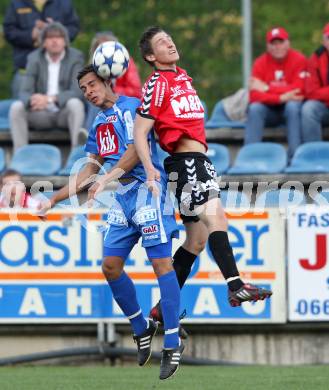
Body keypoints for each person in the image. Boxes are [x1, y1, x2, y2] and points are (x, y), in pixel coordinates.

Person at [39, 63, 183, 380]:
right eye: (83, 89)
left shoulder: (132, 106)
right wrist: (53, 198)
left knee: (162, 265)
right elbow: (89, 170)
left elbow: (136, 148)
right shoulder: (99, 124)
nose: (89, 92)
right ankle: (141, 326)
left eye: (92, 84)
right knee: (110, 266)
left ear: (107, 81)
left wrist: (107, 179)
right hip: (123, 198)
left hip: (148, 191)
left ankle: (172, 341)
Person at [133, 26, 272, 325]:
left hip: (196, 161)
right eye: (161, 42)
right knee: (216, 218)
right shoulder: (158, 82)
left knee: (196, 239)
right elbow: (140, 131)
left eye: (169, 38)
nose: (169, 42)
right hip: (186, 163)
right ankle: (236, 286)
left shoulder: (181, 77)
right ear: (150, 56)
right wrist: (148, 169)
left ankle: (162, 307)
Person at [9, 22, 85, 152]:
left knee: (76, 104)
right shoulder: (34, 58)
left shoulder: (75, 57)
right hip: (40, 114)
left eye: (59, 37)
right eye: (50, 37)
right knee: (16, 107)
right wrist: (34, 100)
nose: (54, 41)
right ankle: (20, 156)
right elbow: (24, 92)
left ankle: (76, 154)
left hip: (64, 113)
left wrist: (49, 99)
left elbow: (78, 91)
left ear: (65, 41)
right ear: (43, 43)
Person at [244, 27, 307, 159]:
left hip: (291, 113)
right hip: (270, 112)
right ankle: (250, 157)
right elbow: (254, 96)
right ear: (268, 46)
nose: (277, 47)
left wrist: (267, 88)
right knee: (255, 108)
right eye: (273, 43)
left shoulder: (300, 59)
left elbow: (299, 90)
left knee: (292, 105)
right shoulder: (260, 63)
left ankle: (295, 157)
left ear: (288, 43)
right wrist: (281, 97)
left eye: (281, 42)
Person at [3, 0, 80, 98]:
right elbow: (8, 31)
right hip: (25, 71)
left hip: (60, 71)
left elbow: (74, 27)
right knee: (20, 106)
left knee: (69, 105)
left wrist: (54, 30)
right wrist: (31, 35)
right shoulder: (17, 3)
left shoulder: (63, 3)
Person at [83, 31, 142, 133]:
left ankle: (89, 134)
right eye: (101, 49)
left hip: (121, 100)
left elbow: (136, 91)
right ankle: (89, 134)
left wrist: (113, 90)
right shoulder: (93, 67)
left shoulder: (126, 62)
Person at [301, 23, 329, 142]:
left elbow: (316, 92)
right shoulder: (316, 57)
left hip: (323, 100)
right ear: (324, 41)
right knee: (308, 109)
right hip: (324, 107)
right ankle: (314, 156)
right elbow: (310, 92)